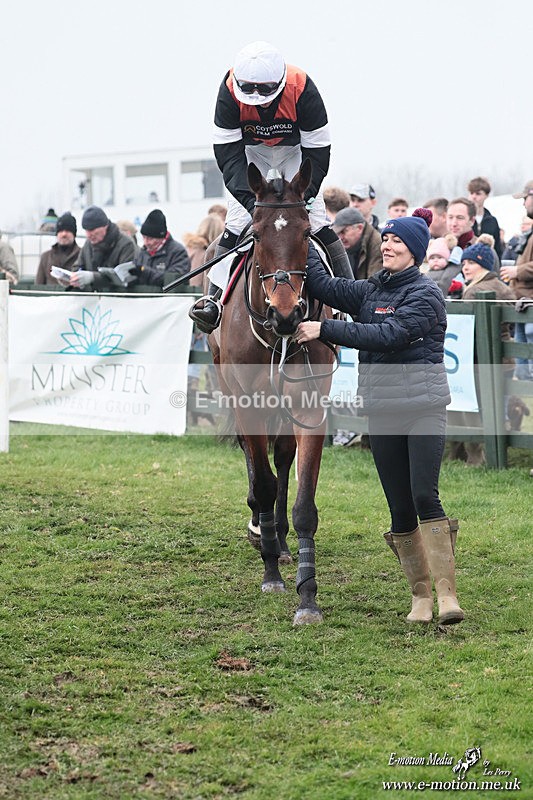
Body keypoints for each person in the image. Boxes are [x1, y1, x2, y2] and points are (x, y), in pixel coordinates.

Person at [295, 209, 464, 626]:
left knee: (425, 494)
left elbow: (388, 337)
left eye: (397, 243)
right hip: (383, 410)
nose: (387, 246)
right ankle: (420, 597)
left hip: (423, 408)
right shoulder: (370, 290)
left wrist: (325, 330)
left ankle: (447, 595)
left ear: (416, 253)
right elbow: (321, 284)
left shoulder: (425, 295)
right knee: (399, 509)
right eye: (385, 240)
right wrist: (305, 227)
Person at [189, 40, 353, 333]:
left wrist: (303, 196)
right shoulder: (227, 92)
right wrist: (254, 206)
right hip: (251, 154)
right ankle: (212, 302)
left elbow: (318, 152)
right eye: (249, 93)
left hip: (297, 152)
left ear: (278, 83)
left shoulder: (302, 88)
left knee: (316, 221)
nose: (258, 101)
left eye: (265, 93)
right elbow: (228, 157)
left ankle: (348, 302)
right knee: (237, 223)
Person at [448, 237, 516, 465]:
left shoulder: (474, 290)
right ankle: (498, 452)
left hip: (479, 360)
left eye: (471, 263)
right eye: (464, 263)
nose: (465, 267)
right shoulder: (504, 288)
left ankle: (475, 457)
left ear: (485, 266)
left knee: (472, 407)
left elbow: (470, 329)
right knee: (496, 407)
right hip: (505, 359)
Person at [501, 180, 533, 380]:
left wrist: (517, 271)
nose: (523, 204)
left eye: (526, 198)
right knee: (524, 373)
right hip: (523, 305)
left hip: (530, 306)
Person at [70, 206, 136, 291]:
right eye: (87, 231)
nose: (89, 235)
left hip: (118, 300)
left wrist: (93, 277)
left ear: (105, 226)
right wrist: (72, 277)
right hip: (93, 299)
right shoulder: (88, 244)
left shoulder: (126, 244)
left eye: (93, 231)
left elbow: (124, 277)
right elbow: (78, 266)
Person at [128, 210, 190, 287]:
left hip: (168, 298)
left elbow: (173, 279)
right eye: (144, 237)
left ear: (162, 236)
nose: (146, 242)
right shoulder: (143, 252)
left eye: (150, 238)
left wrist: (143, 271)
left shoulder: (178, 252)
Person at [331, 206, 382, 280]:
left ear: (359, 228)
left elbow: (374, 285)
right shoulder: (349, 245)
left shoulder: (377, 246)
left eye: (344, 231)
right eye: (338, 233)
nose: (340, 237)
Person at [35, 212, 80, 285]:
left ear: (74, 234)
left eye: (68, 231)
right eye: (61, 231)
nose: (64, 234)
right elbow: (38, 287)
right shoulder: (46, 257)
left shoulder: (83, 256)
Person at [467, 176, 503, 259]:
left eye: (478, 193)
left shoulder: (492, 221)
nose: (474, 197)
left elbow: (498, 249)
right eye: (471, 193)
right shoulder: (464, 219)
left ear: (486, 195)